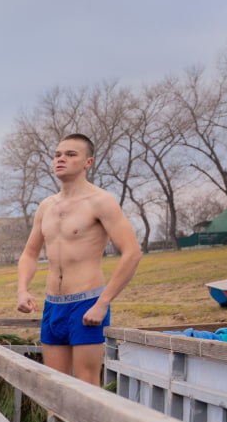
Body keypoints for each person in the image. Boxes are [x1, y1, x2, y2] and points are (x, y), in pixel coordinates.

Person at [16, 134, 141, 388]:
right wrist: (22, 289)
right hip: (53, 306)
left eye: (71, 154)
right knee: (54, 386)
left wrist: (103, 302)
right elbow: (30, 253)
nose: (61, 159)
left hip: (87, 304)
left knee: (86, 386)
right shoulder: (46, 206)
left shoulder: (100, 202)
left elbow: (132, 253)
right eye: (58, 154)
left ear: (88, 162)